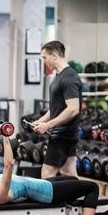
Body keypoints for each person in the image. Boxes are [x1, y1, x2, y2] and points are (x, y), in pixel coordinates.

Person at [34, 40, 82, 179]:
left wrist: (48, 125)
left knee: (47, 173)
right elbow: (56, 108)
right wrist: (40, 121)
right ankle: (81, 199)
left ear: (54, 55)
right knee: (69, 172)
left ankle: (50, 201)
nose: (44, 62)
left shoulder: (69, 78)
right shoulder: (58, 77)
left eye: (44, 57)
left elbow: (73, 109)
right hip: (63, 134)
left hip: (63, 135)